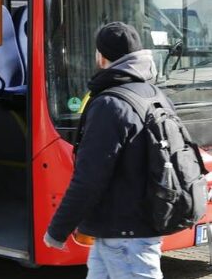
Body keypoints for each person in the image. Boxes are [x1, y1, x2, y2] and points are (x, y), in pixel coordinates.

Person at [43, 21, 163, 279]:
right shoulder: (152, 93)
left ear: (101, 57)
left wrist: (57, 230)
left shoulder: (110, 104)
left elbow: (89, 178)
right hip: (127, 226)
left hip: (124, 231)